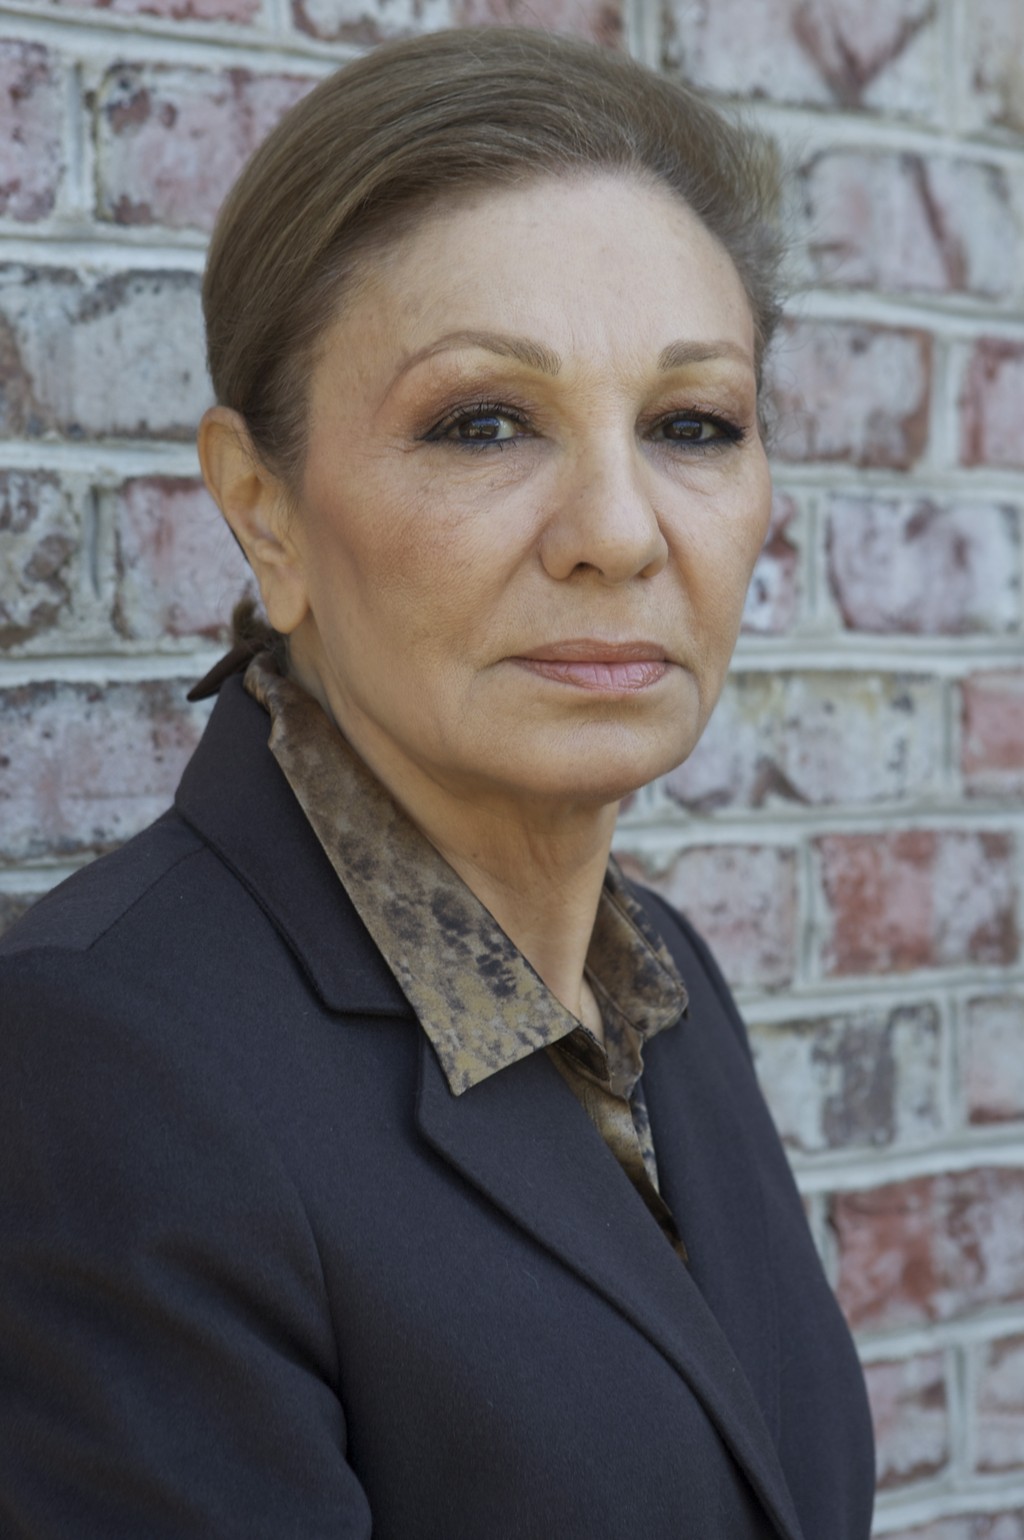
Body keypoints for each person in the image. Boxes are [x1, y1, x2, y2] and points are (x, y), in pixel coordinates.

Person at [0, 27, 875, 1540]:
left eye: (692, 425)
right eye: (484, 423)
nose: (619, 531)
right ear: (264, 509)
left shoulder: (666, 988)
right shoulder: (101, 1066)